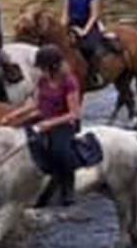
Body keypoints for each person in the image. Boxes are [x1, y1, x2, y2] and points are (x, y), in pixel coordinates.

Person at [6, 45, 82, 208]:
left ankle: (68, 189)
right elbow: (36, 104)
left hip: (63, 124)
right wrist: (15, 114)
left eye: (43, 68)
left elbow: (74, 114)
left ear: (53, 67)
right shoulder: (42, 80)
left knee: (59, 151)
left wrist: (50, 123)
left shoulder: (69, 82)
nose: (40, 71)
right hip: (43, 121)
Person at [63, 0, 106, 87]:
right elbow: (65, 13)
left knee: (89, 47)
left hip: (88, 25)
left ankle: (95, 74)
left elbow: (94, 15)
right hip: (73, 24)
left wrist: (84, 31)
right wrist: (62, 28)